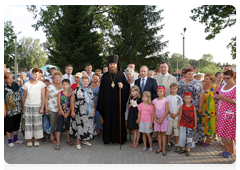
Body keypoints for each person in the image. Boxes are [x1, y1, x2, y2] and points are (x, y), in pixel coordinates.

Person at [97, 55, 130, 144]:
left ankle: (119, 139)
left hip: (118, 104)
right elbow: (102, 90)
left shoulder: (121, 75)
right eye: (111, 64)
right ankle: (108, 139)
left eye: (114, 64)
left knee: (118, 120)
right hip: (107, 104)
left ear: (117, 65)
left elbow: (127, 86)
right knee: (107, 120)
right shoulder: (105, 76)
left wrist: (123, 87)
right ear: (109, 65)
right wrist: (102, 104)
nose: (112, 65)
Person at [214, 70, 238, 158]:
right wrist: (216, 96)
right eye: (224, 78)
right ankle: (227, 149)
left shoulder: (236, 88)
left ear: (233, 77)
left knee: (229, 134)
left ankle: (232, 151)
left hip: (231, 114)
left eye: (227, 78)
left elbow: (236, 101)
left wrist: (223, 97)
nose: (225, 80)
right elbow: (216, 98)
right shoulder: (222, 86)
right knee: (221, 132)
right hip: (221, 113)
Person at [177, 68, 204, 144]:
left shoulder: (197, 83)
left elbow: (201, 95)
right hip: (183, 107)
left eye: (192, 74)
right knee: (183, 124)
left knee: (193, 124)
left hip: (193, 108)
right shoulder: (181, 82)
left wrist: (200, 108)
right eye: (189, 74)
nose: (191, 75)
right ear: (184, 75)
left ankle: (193, 141)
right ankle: (183, 141)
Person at [70, 76, 96, 150]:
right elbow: (72, 101)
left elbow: (92, 101)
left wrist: (93, 110)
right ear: (81, 82)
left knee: (87, 126)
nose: (85, 82)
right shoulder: (76, 90)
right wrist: (72, 111)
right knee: (79, 126)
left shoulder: (89, 90)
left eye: (86, 81)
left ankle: (84, 140)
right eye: (84, 81)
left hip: (88, 112)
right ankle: (78, 142)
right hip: (79, 112)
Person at [22, 68, 46, 147]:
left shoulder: (41, 84)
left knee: (37, 124)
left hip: (37, 106)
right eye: (35, 74)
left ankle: (35, 139)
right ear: (31, 74)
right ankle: (29, 140)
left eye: (38, 74)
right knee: (28, 124)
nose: (36, 75)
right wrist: (23, 108)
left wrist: (42, 107)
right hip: (28, 106)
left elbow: (43, 97)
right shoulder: (26, 84)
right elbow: (24, 97)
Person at [4, 72, 24, 147]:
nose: (10, 79)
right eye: (8, 78)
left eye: (11, 78)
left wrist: (22, 107)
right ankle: (9, 140)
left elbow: (20, 95)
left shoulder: (15, 84)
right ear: (5, 79)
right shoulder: (3, 86)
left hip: (18, 108)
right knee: (9, 125)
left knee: (16, 124)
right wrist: (4, 110)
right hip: (9, 110)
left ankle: (15, 139)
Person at [45, 71, 63, 144]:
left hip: (61, 109)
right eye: (56, 78)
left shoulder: (63, 86)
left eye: (59, 77)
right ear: (53, 79)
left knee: (58, 123)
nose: (58, 79)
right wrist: (46, 107)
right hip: (52, 108)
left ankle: (56, 135)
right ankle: (51, 136)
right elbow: (46, 98)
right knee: (52, 123)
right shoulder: (50, 87)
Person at [177, 92, 197, 156]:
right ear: (184, 99)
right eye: (186, 98)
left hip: (190, 125)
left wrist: (195, 125)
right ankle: (183, 148)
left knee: (189, 137)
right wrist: (178, 123)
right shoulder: (182, 106)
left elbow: (195, 116)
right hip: (182, 124)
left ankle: (188, 149)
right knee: (182, 137)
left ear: (191, 98)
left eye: (189, 98)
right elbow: (180, 115)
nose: (187, 100)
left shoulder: (193, 107)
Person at [55, 79, 72, 150]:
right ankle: (58, 142)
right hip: (61, 113)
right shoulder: (60, 93)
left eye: (66, 84)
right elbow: (59, 104)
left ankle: (68, 139)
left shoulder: (71, 94)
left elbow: (71, 105)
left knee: (68, 127)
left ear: (69, 85)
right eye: (64, 84)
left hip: (68, 113)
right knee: (59, 127)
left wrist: (68, 113)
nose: (65, 86)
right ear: (62, 85)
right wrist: (63, 113)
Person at [201, 74, 218, 147]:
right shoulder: (201, 85)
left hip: (210, 109)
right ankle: (202, 139)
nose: (205, 80)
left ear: (211, 80)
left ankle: (208, 141)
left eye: (207, 79)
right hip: (202, 108)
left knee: (209, 124)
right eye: (205, 78)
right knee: (202, 123)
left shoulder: (214, 87)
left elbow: (217, 97)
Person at [166, 83, 183, 152]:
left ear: (177, 89)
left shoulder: (179, 98)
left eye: (175, 89)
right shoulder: (167, 97)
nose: (173, 90)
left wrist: (176, 114)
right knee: (169, 131)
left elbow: (180, 108)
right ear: (170, 89)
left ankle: (176, 144)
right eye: (172, 89)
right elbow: (166, 108)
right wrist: (170, 113)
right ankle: (169, 143)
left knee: (176, 132)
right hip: (169, 117)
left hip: (176, 117)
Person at [153, 85, 169, 156]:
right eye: (158, 91)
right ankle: (159, 148)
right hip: (157, 120)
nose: (159, 93)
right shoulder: (155, 101)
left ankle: (164, 149)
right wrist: (156, 119)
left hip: (163, 120)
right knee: (159, 134)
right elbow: (153, 111)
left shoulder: (165, 100)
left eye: (161, 91)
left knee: (163, 134)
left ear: (164, 92)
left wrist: (161, 120)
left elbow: (166, 111)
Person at [124, 67, 135, 140]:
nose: (128, 76)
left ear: (133, 74)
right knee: (126, 117)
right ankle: (127, 133)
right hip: (126, 101)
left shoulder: (136, 82)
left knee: (134, 117)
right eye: (127, 74)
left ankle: (133, 134)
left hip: (134, 101)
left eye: (130, 74)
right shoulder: (124, 82)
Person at [213, 72, 223, 143]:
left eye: (222, 78)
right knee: (213, 120)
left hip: (221, 105)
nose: (221, 79)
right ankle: (214, 134)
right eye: (219, 77)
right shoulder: (212, 85)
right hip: (212, 104)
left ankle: (217, 135)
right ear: (215, 77)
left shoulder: (223, 86)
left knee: (219, 120)